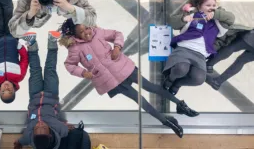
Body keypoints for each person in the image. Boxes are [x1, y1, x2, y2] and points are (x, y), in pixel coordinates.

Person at [60, 18, 199, 138]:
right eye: (81, 33)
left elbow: (117, 34)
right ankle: (166, 121)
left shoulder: (98, 32)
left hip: (125, 68)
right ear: (75, 36)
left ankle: (180, 105)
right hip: (110, 82)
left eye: (86, 29)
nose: (87, 33)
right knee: (141, 100)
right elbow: (69, 65)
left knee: (151, 87)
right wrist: (83, 73)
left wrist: (117, 47)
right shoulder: (75, 49)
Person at [164, 0, 236, 95]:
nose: (211, 8)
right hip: (185, 49)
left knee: (199, 79)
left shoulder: (219, 22)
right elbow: (171, 22)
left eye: (213, 5)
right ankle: (170, 79)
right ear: (199, 7)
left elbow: (231, 18)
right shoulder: (192, 14)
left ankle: (178, 83)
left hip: (201, 54)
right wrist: (183, 19)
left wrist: (215, 14)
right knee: (181, 69)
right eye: (208, 5)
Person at [13, 31, 71, 149]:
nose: (40, 124)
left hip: (34, 95)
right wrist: (67, 125)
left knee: (35, 70)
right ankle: (52, 41)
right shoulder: (59, 130)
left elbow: (20, 141)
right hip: (52, 94)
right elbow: (66, 130)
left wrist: (17, 145)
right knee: (50, 69)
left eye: (36, 128)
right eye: (43, 128)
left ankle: (32, 42)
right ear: (50, 134)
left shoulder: (28, 136)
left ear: (32, 134)